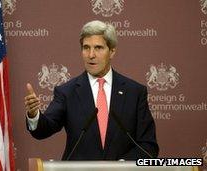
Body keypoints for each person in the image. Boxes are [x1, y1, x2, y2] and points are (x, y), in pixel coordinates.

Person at [24, 20, 159, 160]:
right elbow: (44, 130)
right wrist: (34, 115)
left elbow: (148, 146)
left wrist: (122, 166)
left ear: (112, 51)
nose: (91, 55)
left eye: (98, 48)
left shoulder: (134, 92)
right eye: (86, 48)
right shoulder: (67, 92)